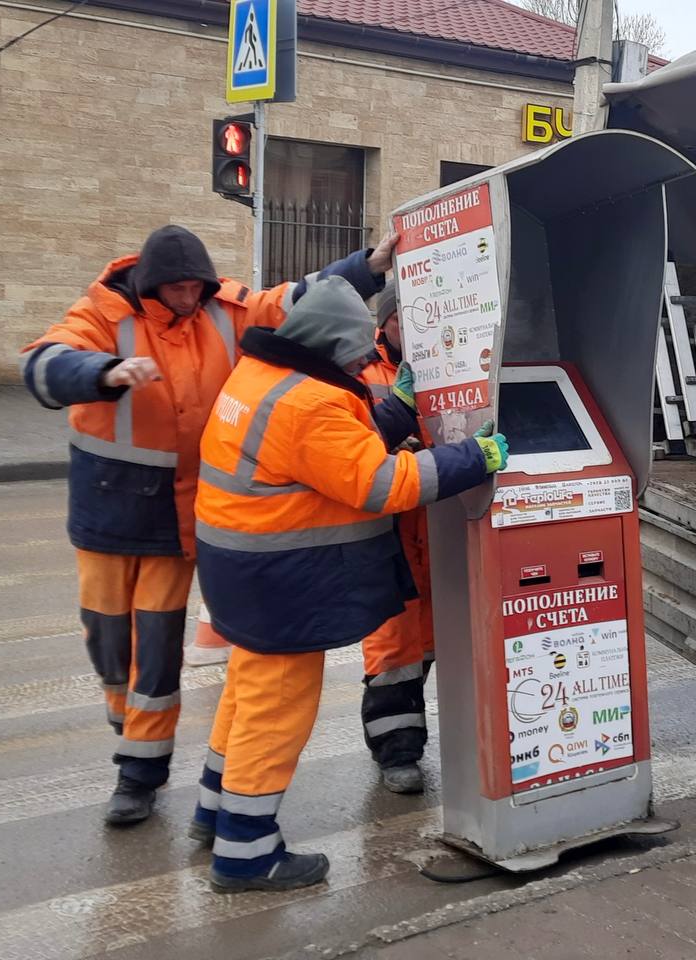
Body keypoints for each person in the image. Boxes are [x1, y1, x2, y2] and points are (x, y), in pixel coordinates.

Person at [19, 224, 394, 825]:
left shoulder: (224, 309)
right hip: (113, 511)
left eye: (198, 287)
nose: (190, 299)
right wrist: (104, 373)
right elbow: (43, 364)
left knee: (156, 644)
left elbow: (296, 299)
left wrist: (368, 266)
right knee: (111, 643)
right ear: (151, 286)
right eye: (178, 290)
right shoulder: (102, 313)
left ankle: (138, 773)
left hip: (188, 516)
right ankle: (129, 729)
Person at [188, 276, 508, 892]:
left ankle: (214, 810)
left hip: (241, 571)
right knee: (277, 711)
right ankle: (246, 854)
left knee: (245, 696)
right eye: (358, 354)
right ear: (331, 346)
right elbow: (380, 483)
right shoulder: (309, 404)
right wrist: (476, 456)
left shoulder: (260, 377)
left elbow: (334, 452)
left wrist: (399, 409)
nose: (365, 365)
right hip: (281, 582)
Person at [355, 280, 435, 794]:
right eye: (404, 319)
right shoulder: (362, 373)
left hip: (441, 525)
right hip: (391, 532)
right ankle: (396, 750)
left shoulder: (453, 365)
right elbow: (349, 446)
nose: (415, 330)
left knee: (431, 642)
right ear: (384, 323)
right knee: (394, 647)